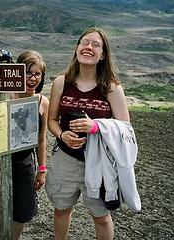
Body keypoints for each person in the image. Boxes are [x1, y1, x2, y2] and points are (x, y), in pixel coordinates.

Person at [45, 27, 130, 240]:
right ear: (76, 49)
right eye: (85, 42)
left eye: (95, 45)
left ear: (103, 55)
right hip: (65, 159)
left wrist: (96, 127)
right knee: (61, 210)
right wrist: (62, 135)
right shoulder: (61, 83)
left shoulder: (111, 88)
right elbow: (52, 120)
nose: (88, 48)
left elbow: (125, 130)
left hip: (98, 162)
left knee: (101, 216)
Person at [0, 50, 49, 239]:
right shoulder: (2, 98)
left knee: (21, 212)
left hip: (24, 164)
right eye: (28, 73)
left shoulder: (42, 102)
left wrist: (42, 168)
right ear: (17, 73)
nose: (32, 78)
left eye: (37, 74)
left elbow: (41, 138)